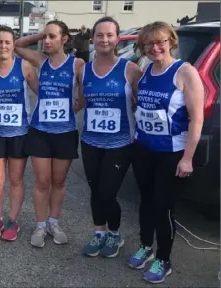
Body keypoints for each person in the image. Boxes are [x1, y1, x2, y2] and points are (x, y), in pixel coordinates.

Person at [127, 21, 204, 284]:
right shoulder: (146, 68)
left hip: (171, 153)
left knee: (163, 206)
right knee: (145, 202)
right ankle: (146, 246)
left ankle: (164, 258)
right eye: (148, 43)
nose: (155, 47)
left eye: (160, 41)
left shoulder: (185, 72)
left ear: (171, 41)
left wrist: (188, 158)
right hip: (143, 148)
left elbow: (197, 119)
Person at [14, 20, 84, 248]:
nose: (47, 41)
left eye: (52, 36)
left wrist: (79, 104)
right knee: (42, 182)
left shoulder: (77, 64)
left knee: (59, 181)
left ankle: (54, 222)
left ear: (64, 39)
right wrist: (40, 33)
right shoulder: (41, 61)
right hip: (40, 131)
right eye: (46, 36)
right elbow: (17, 45)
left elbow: (85, 91)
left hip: (65, 132)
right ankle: (41, 224)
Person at [78, 17, 142, 258]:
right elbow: (82, 103)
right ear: (92, 38)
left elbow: (141, 104)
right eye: (100, 35)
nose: (104, 39)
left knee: (107, 192)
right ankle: (98, 233)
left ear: (117, 38)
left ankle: (115, 234)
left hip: (120, 143)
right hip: (90, 142)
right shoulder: (83, 70)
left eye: (109, 35)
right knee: (95, 191)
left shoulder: (130, 69)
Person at [0, 26, 38, 241]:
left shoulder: (24, 67)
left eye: (7, 42)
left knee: (16, 179)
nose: (3, 46)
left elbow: (41, 92)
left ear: (13, 45)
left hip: (19, 133)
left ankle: (13, 220)